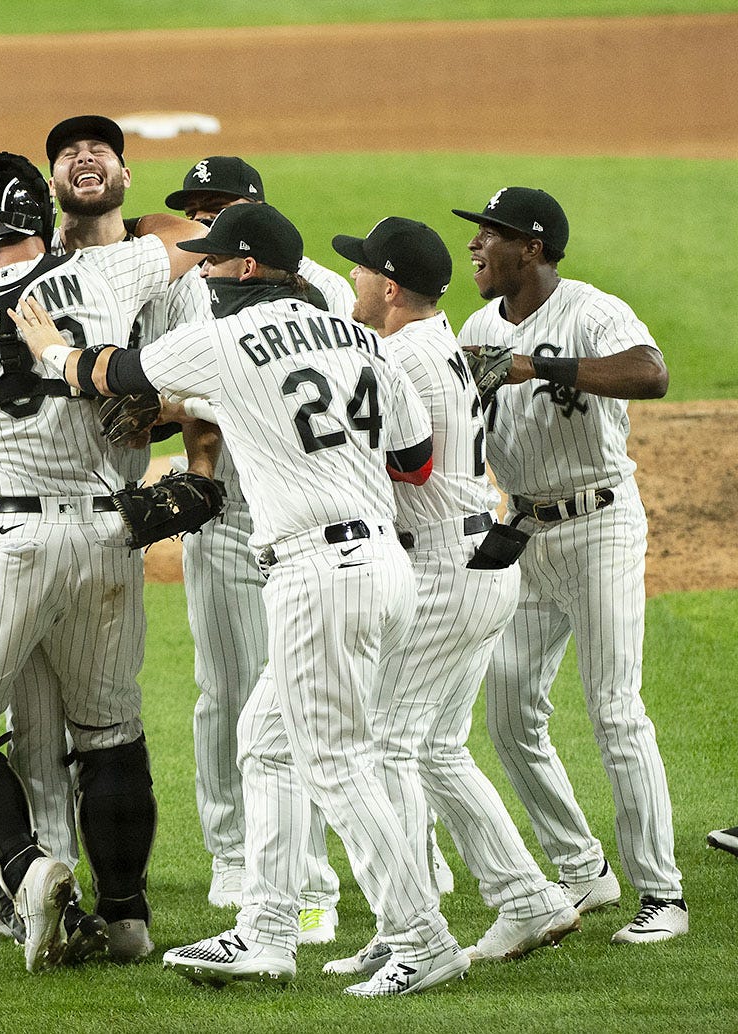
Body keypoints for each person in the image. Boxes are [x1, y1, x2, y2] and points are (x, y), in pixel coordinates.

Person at [10, 203, 470, 998]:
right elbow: (416, 462)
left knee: (336, 761)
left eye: (213, 261)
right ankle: (265, 932)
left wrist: (52, 350)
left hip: (315, 573)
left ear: (248, 268)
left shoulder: (223, 339)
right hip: (383, 567)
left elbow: (114, 375)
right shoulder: (365, 340)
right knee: (265, 739)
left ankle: (423, 938)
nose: (204, 272)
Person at [0, 151, 209, 971]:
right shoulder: (108, 270)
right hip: (112, 531)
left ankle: (25, 869)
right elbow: (203, 235)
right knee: (110, 729)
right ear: (42, 216)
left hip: (11, 538)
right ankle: (127, 917)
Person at [325, 216, 579, 974]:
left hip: (439, 566)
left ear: (391, 288)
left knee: (388, 746)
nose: (355, 283)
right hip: (480, 557)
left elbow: (390, 468)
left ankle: (412, 933)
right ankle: (527, 897)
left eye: (364, 271)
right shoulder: (438, 344)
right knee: (434, 745)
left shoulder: (394, 358)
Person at [453, 186, 686, 944]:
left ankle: (664, 895)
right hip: (523, 532)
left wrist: (538, 367)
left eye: (490, 235)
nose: (475, 248)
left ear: (534, 245)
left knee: (615, 709)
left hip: (600, 527)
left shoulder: (591, 309)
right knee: (510, 713)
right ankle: (582, 866)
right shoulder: (477, 326)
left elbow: (650, 373)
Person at [159, 156, 359, 936]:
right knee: (227, 690)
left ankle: (301, 869)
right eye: (195, 208)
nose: (204, 218)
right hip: (229, 512)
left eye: (219, 206)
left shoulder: (330, 291)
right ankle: (234, 855)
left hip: (306, 516)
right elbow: (183, 400)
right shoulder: (192, 286)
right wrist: (199, 470)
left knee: (307, 700)